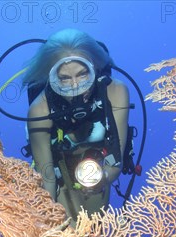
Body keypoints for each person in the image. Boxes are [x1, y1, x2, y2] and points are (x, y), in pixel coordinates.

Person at [22, 29, 130, 225]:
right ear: (51, 77)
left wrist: (102, 177)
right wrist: (43, 223)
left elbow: (116, 162)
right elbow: (47, 180)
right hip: (59, 168)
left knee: (93, 230)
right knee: (66, 229)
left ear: (95, 68)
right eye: (64, 78)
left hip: (99, 168)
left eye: (82, 75)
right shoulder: (39, 110)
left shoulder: (116, 92)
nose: (75, 86)